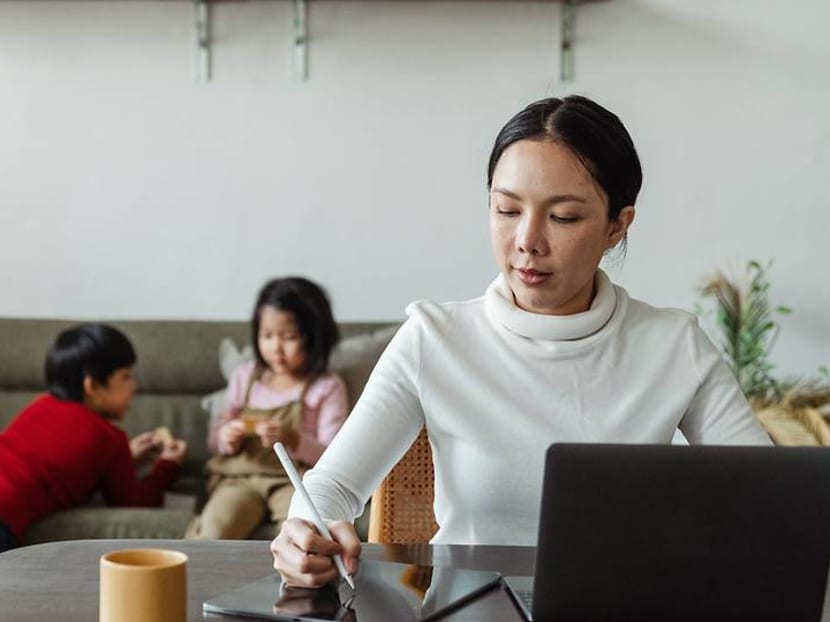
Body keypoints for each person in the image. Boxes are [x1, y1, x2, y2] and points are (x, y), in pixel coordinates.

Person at [269, 94, 773, 587]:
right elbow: (332, 485)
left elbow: (770, 496)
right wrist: (306, 531)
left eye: (563, 217)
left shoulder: (673, 345)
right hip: (469, 611)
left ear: (617, 226)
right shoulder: (434, 339)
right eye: (507, 210)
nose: (528, 241)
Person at [0, 323, 187, 552]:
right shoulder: (109, 438)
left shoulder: (39, 406)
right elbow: (135, 502)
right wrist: (168, 466)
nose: (134, 386)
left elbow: (50, 460)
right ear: (93, 386)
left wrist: (126, 457)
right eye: (126, 376)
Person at [186, 277, 349, 539]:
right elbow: (214, 440)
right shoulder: (245, 377)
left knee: (302, 536)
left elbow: (334, 457)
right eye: (267, 336)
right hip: (241, 478)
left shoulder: (326, 387)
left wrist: (293, 439)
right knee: (213, 532)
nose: (275, 348)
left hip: (293, 481)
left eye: (289, 337)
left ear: (314, 337)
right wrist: (227, 437)